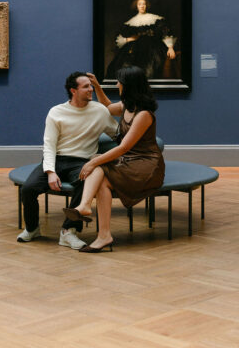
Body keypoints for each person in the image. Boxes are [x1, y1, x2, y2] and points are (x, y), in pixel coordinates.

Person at [64, 66, 165, 253]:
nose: (117, 84)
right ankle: (103, 234)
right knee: (102, 182)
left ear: (128, 85)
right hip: (131, 161)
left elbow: (124, 147)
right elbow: (108, 107)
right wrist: (97, 87)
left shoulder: (143, 114)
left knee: (98, 165)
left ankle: (85, 206)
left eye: (119, 81)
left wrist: (94, 161)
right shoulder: (127, 106)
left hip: (146, 164)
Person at [17, 71, 119, 249]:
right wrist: (50, 172)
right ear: (74, 90)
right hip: (56, 160)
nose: (91, 90)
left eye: (91, 86)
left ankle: (68, 232)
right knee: (28, 189)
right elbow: (49, 145)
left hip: (81, 162)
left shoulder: (100, 111)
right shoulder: (56, 112)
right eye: (86, 86)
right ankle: (32, 228)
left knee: (86, 184)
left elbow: (119, 135)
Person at [106, 0, 178, 80]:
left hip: (152, 48)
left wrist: (170, 47)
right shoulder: (130, 22)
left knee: (149, 68)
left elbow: (165, 32)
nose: (142, 6)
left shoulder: (156, 19)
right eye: (140, 4)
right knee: (120, 66)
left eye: (144, 4)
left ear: (146, 6)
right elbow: (119, 39)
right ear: (136, 6)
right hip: (133, 49)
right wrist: (130, 39)